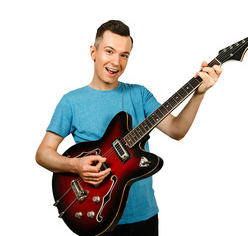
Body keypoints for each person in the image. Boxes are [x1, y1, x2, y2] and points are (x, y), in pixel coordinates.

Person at [36, 20, 222, 235]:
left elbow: (176, 130)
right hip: (94, 212)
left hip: (143, 216)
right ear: (93, 52)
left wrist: (199, 93)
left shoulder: (139, 94)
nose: (116, 62)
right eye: (109, 51)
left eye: (124, 55)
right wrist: (76, 166)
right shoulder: (71, 101)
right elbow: (43, 154)